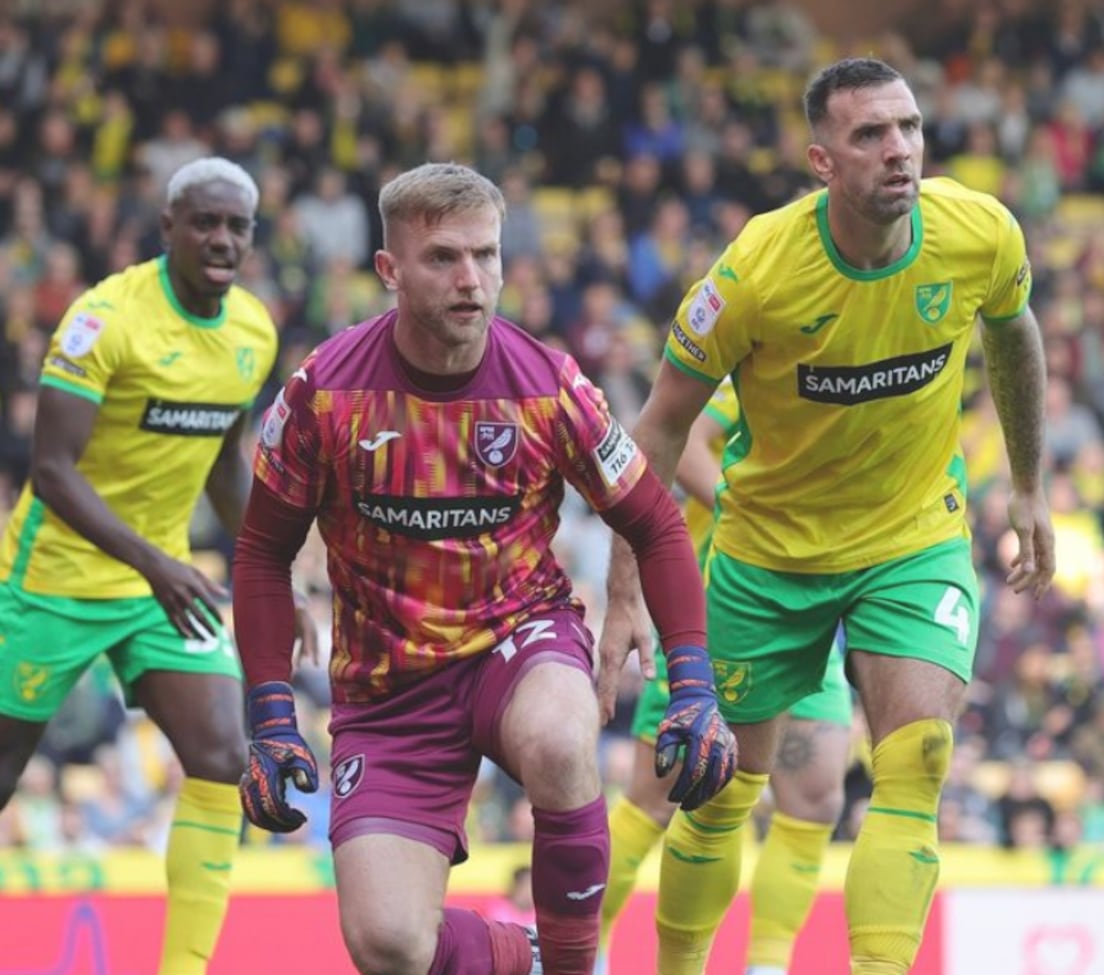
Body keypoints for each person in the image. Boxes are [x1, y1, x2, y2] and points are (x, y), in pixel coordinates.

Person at [597, 58, 1056, 975]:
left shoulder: (979, 233)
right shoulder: (757, 272)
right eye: (870, 135)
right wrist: (623, 592)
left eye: (910, 128)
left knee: (914, 764)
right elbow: (654, 430)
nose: (900, 151)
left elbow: (1015, 331)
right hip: (768, 556)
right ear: (821, 160)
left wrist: (1029, 483)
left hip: (912, 539)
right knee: (714, 789)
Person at [230, 161, 737, 975]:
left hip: (519, 638)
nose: (472, 279)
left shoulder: (550, 387)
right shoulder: (321, 394)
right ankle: (530, 957)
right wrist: (270, 714)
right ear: (389, 270)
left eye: (487, 255)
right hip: (387, 684)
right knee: (389, 946)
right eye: (443, 258)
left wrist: (695, 681)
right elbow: (260, 550)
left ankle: (576, 964)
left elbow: (655, 520)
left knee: (562, 737)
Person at [0, 156, 316, 975]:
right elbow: (52, 473)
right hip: (52, 578)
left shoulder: (252, 331)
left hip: (160, 583)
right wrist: (155, 563)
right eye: (203, 222)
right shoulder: (103, 321)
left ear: (252, 236)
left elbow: (224, 463)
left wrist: (273, 571)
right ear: (168, 226)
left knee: (222, 755)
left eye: (235, 226)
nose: (220, 238)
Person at [598, 380, 852, 975]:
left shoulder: (854, 381)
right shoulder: (759, 374)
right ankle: (576, 945)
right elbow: (679, 445)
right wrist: (755, 520)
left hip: (810, 608)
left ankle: (766, 966)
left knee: (816, 797)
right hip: (719, 608)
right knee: (657, 800)